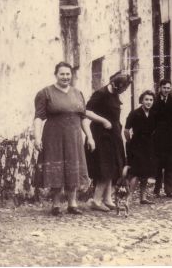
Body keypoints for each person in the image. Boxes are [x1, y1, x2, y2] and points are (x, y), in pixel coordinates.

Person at [33, 62, 97, 216]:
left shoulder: (77, 93)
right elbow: (38, 118)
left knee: (73, 167)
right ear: (56, 75)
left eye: (68, 74)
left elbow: (82, 117)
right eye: (62, 74)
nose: (65, 77)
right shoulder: (45, 93)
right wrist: (36, 137)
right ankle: (56, 205)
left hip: (73, 138)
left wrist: (90, 136)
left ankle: (72, 203)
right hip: (53, 137)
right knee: (56, 169)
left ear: (71, 75)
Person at [85, 72, 132, 212]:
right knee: (104, 169)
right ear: (116, 85)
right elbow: (86, 111)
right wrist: (104, 121)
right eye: (124, 88)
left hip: (113, 135)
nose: (124, 91)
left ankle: (107, 199)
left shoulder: (115, 94)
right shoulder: (100, 94)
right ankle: (96, 200)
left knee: (113, 167)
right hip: (101, 136)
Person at [151, 79, 172, 199]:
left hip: (170, 136)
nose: (166, 90)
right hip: (157, 137)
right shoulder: (153, 101)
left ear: (170, 89)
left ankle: (170, 190)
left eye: (168, 88)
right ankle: (157, 189)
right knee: (158, 164)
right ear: (160, 88)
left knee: (171, 163)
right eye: (164, 88)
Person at [124, 90, 156, 205]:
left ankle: (143, 197)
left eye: (151, 100)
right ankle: (129, 198)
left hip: (149, 145)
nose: (148, 102)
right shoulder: (135, 113)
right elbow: (126, 130)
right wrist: (130, 142)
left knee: (146, 172)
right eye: (146, 99)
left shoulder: (154, 114)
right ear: (142, 100)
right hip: (137, 145)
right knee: (136, 172)